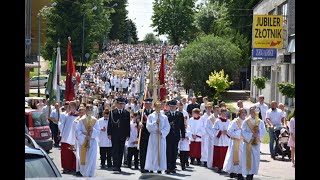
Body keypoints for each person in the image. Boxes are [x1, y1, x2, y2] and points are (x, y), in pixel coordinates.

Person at [145, 100, 170, 174]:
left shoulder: (164, 117)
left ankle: (160, 168)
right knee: (152, 152)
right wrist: (155, 123)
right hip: (153, 136)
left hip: (161, 137)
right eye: (157, 106)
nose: (158, 108)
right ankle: (151, 167)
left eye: (160, 106)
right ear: (154, 107)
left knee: (161, 152)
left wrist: (162, 132)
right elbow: (148, 127)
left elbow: (167, 127)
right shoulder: (151, 116)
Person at [241, 107, 266, 180]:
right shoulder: (246, 121)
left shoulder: (260, 122)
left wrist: (259, 131)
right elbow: (243, 131)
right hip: (248, 143)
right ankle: (248, 174)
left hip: (256, 143)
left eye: (255, 112)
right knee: (248, 158)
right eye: (252, 112)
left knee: (255, 158)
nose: (254, 113)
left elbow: (264, 131)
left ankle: (252, 173)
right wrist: (251, 135)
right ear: (250, 112)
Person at [107, 97, 131, 172]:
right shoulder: (112, 112)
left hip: (123, 134)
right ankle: (115, 165)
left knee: (121, 150)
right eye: (119, 104)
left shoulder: (127, 113)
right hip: (114, 134)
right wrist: (109, 133)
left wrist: (128, 134)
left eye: (122, 104)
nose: (121, 105)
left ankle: (119, 165)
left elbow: (127, 125)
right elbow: (110, 123)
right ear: (117, 104)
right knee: (115, 150)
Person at [223, 108, 247, 180]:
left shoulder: (246, 122)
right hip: (235, 142)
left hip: (244, 142)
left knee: (242, 158)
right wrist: (238, 134)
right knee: (234, 157)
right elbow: (229, 131)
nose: (244, 114)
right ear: (239, 113)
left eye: (245, 112)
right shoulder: (235, 122)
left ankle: (239, 172)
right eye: (242, 112)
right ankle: (233, 171)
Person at [165, 100, 186, 174]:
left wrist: (183, 135)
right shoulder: (166, 114)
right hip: (168, 135)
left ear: (176, 107)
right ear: (169, 106)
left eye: (173, 106)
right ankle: (168, 167)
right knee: (168, 152)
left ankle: (173, 167)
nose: (172, 108)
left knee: (174, 152)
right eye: (171, 106)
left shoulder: (179, 114)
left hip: (176, 135)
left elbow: (182, 126)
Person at [58, 101, 78, 174]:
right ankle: (66, 167)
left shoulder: (78, 116)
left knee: (74, 153)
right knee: (66, 154)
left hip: (74, 138)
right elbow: (61, 125)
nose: (70, 108)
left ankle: (74, 167)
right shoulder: (66, 115)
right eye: (70, 106)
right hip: (66, 137)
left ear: (75, 107)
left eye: (72, 106)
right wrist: (61, 133)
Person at [137, 98, 154, 173]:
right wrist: (139, 123)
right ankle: (143, 167)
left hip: (151, 135)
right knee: (143, 151)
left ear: (151, 104)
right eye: (146, 104)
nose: (147, 105)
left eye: (149, 104)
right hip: (143, 134)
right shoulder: (141, 112)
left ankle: (150, 166)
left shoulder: (154, 112)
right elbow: (138, 118)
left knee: (151, 152)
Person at [212, 107, 230, 173]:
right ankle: (218, 166)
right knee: (218, 153)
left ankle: (225, 167)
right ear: (221, 113)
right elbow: (213, 130)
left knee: (225, 154)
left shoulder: (228, 121)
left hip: (226, 140)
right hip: (219, 140)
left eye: (225, 113)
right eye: (223, 113)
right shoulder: (217, 121)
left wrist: (227, 132)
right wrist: (220, 132)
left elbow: (230, 130)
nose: (224, 114)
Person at [206, 105, 220, 169]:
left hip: (219, 138)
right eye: (216, 110)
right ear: (213, 110)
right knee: (211, 151)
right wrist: (212, 135)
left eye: (218, 110)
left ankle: (216, 164)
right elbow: (207, 128)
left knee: (217, 151)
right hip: (212, 137)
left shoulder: (220, 118)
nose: (218, 111)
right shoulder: (209, 119)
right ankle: (210, 164)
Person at [199, 102, 213, 167]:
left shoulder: (213, 117)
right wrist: (205, 132)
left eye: (210, 108)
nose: (209, 109)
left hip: (211, 135)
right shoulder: (203, 117)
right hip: (205, 134)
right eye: (208, 108)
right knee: (205, 147)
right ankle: (205, 160)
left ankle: (210, 160)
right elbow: (201, 126)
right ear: (205, 109)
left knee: (211, 148)